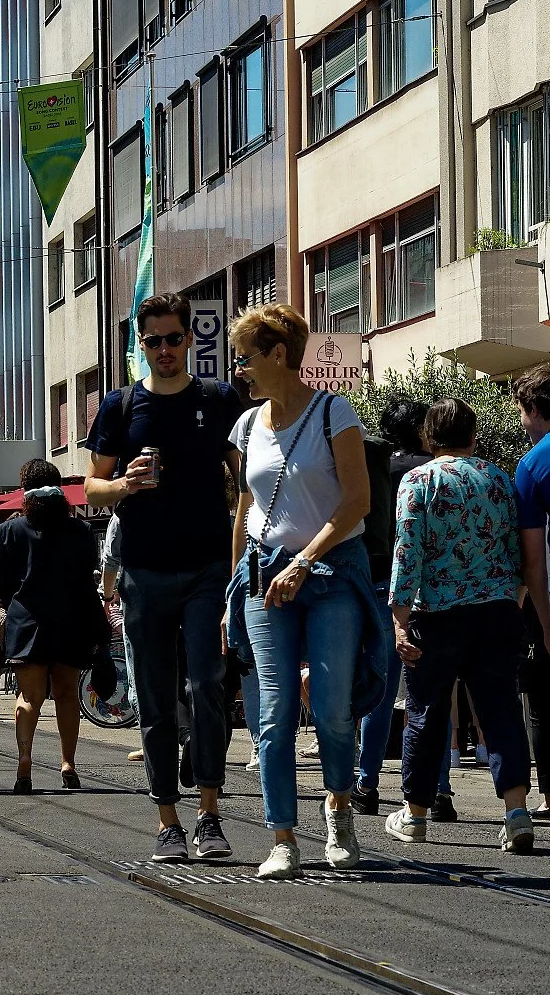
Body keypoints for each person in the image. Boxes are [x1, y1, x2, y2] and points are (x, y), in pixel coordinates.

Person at [82, 292, 248, 860]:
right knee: (152, 697)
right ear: (141, 344)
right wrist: (125, 484)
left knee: (206, 683)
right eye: (152, 341)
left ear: (190, 340)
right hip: (145, 572)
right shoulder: (121, 407)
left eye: (173, 338)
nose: (164, 350)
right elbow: (91, 488)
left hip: (208, 568)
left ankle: (209, 813)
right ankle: (166, 819)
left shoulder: (219, 398)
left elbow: (246, 478)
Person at [228, 302, 379, 879]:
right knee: (274, 711)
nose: (241, 369)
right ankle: (283, 837)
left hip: (333, 574)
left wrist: (305, 561)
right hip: (265, 579)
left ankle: (339, 809)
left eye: (248, 358)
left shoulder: (332, 413)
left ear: (280, 355)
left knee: (335, 709)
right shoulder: (246, 426)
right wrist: (231, 587)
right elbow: (245, 511)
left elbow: (357, 502)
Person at [385, 398, 534, 851]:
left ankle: (415, 814)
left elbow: (407, 552)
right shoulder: (498, 479)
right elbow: (515, 547)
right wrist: (516, 596)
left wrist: (399, 618)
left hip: (438, 613)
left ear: (429, 437)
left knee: (427, 711)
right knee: (501, 709)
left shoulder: (419, 481)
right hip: (496, 610)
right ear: (474, 434)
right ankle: (516, 812)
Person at [0, 460, 104, 793]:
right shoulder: (81, 531)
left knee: (29, 697)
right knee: (67, 695)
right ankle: (68, 761)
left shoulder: (8, 531)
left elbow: (3, 584)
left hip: (27, 622)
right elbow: (88, 578)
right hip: (71, 621)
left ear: (25, 491)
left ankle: (24, 761)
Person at [353, 398, 440, 816]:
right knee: (430, 692)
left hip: (380, 581)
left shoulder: (379, 469)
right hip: (430, 591)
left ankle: (367, 782)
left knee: (381, 692)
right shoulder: (438, 472)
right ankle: (438, 788)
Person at [511, 363, 550, 825]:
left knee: (544, 701)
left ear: (536, 409)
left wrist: (544, 620)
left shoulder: (533, 463)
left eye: (522, 412)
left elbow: (533, 557)